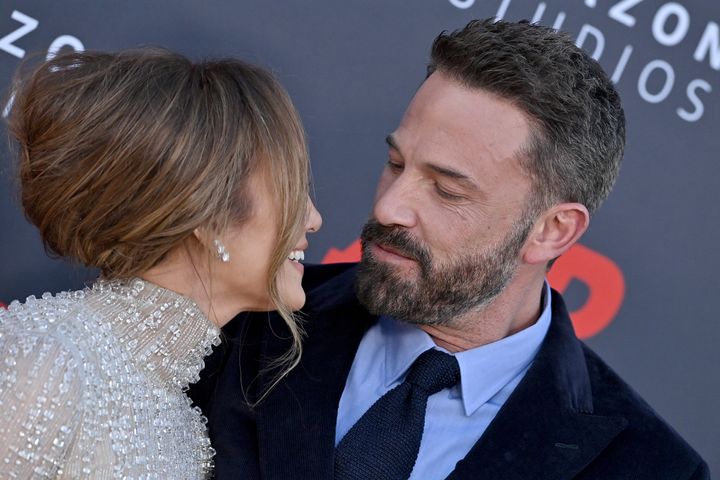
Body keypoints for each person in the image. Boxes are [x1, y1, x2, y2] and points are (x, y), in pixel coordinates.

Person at [191, 18, 710, 479]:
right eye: (396, 163)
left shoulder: (651, 466)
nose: (392, 205)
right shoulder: (243, 311)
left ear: (553, 231)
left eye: (447, 189)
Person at [0, 48, 322, 479]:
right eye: (291, 189)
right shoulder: (48, 363)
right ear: (209, 218)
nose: (314, 220)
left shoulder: (187, 429)